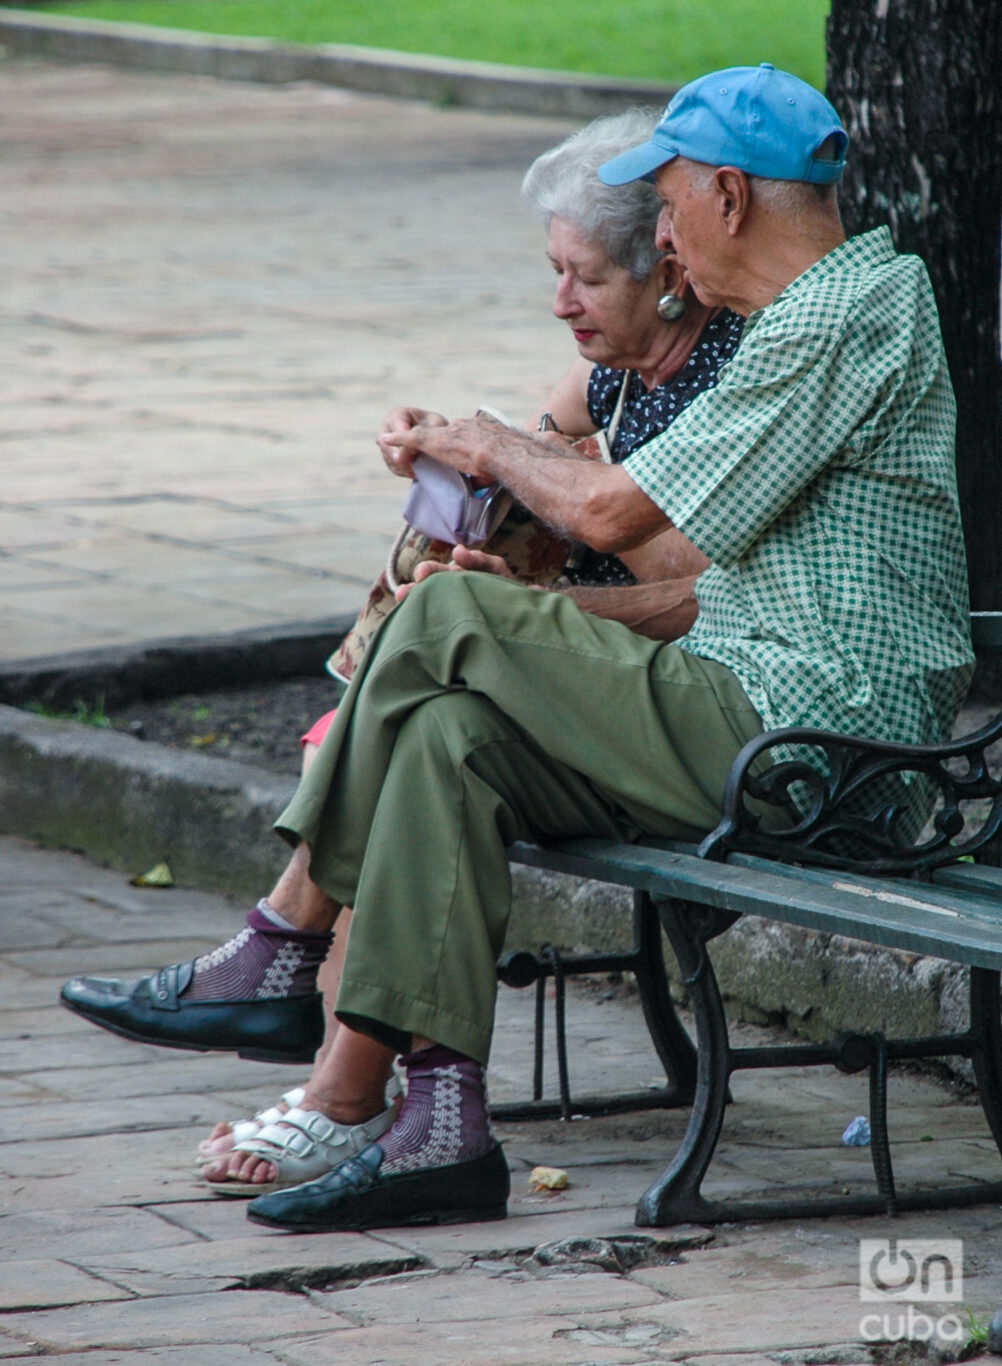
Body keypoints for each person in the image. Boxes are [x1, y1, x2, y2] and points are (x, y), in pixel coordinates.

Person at [62, 65, 974, 1235]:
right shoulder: (813, 318)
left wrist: (485, 444)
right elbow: (716, 584)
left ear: (731, 198)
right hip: (757, 709)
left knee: (440, 615)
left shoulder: (839, 316)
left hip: (821, 745)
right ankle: (440, 1127)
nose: (662, 226)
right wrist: (518, 605)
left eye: (670, 200)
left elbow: (608, 519)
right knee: (449, 735)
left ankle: (282, 944)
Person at [65, 109, 745, 1199]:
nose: (559, 302)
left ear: (664, 270)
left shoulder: (735, 381)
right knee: (426, 720)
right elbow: (537, 475)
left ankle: (296, 978)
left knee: (423, 657)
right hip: (572, 687)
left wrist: (527, 563)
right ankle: (418, 1112)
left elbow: (700, 591)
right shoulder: (610, 371)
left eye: (584, 279)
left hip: (664, 703)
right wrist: (459, 476)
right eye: (552, 271)